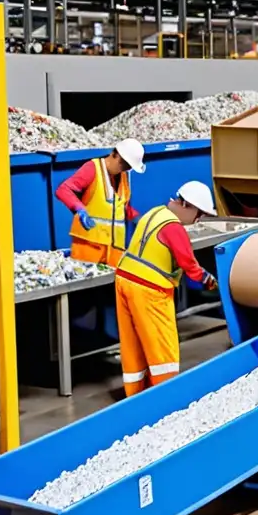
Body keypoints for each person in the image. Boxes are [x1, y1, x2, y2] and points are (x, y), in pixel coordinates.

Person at [114, 181, 219, 397]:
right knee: (163, 345)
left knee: (133, 345)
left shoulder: (155, 213)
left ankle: (135, 396)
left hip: (124, 279)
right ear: (187, 206)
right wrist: (209, 280)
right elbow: (190, 266)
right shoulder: (173, 227)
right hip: (149, 288)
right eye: (199, 215)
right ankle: (166, 397)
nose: (197, 221)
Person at [55, 138, 146, 266]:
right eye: (123, 164)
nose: (124, 169)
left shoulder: (123, 176)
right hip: (89, 247)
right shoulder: (93, 168)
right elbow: (63, 190)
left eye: (128, 167)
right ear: (115, 154)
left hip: (114, 250)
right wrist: (79, 209)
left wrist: (138, 218)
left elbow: (120, 206)